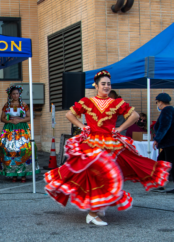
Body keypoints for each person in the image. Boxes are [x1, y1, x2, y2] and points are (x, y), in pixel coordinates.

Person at [44, 70, 171, 226]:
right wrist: (82, 126)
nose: (106, 86)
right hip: (91, 142)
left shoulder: (116, 102)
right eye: (103, 84)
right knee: (94, 174)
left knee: (106, 174)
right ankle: (92, 212)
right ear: (96, 86)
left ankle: (98, 206)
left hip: (110, 143)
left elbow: (135, 116)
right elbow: (70, 114)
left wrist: (119, 128)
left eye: (108, 84)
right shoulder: (87, 101)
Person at [0, 86, 40, 182]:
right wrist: (11, 121)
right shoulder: (6, 105)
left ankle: (23, 174)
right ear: (10, 95)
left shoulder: (24, 105)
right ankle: (13, 174)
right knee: (9, 149)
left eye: (17, 93)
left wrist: (20, 120)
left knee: (25, 149)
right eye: (13, 94)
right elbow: (2, 118)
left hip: (22, 129)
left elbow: (29, 117)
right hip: (9, 129)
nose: (15, 95)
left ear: (19, 94)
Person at [153, 93, 174, 193]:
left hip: (170, 143)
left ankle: (161, 184)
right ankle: (161, 184)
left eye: (157, 102)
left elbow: (164, 126)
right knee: (161, 162)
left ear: (160, 102)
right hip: (169, 143)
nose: (157, 104)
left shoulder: (166, 110)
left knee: (168, 164)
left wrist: (157, 139)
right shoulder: (170, 110)